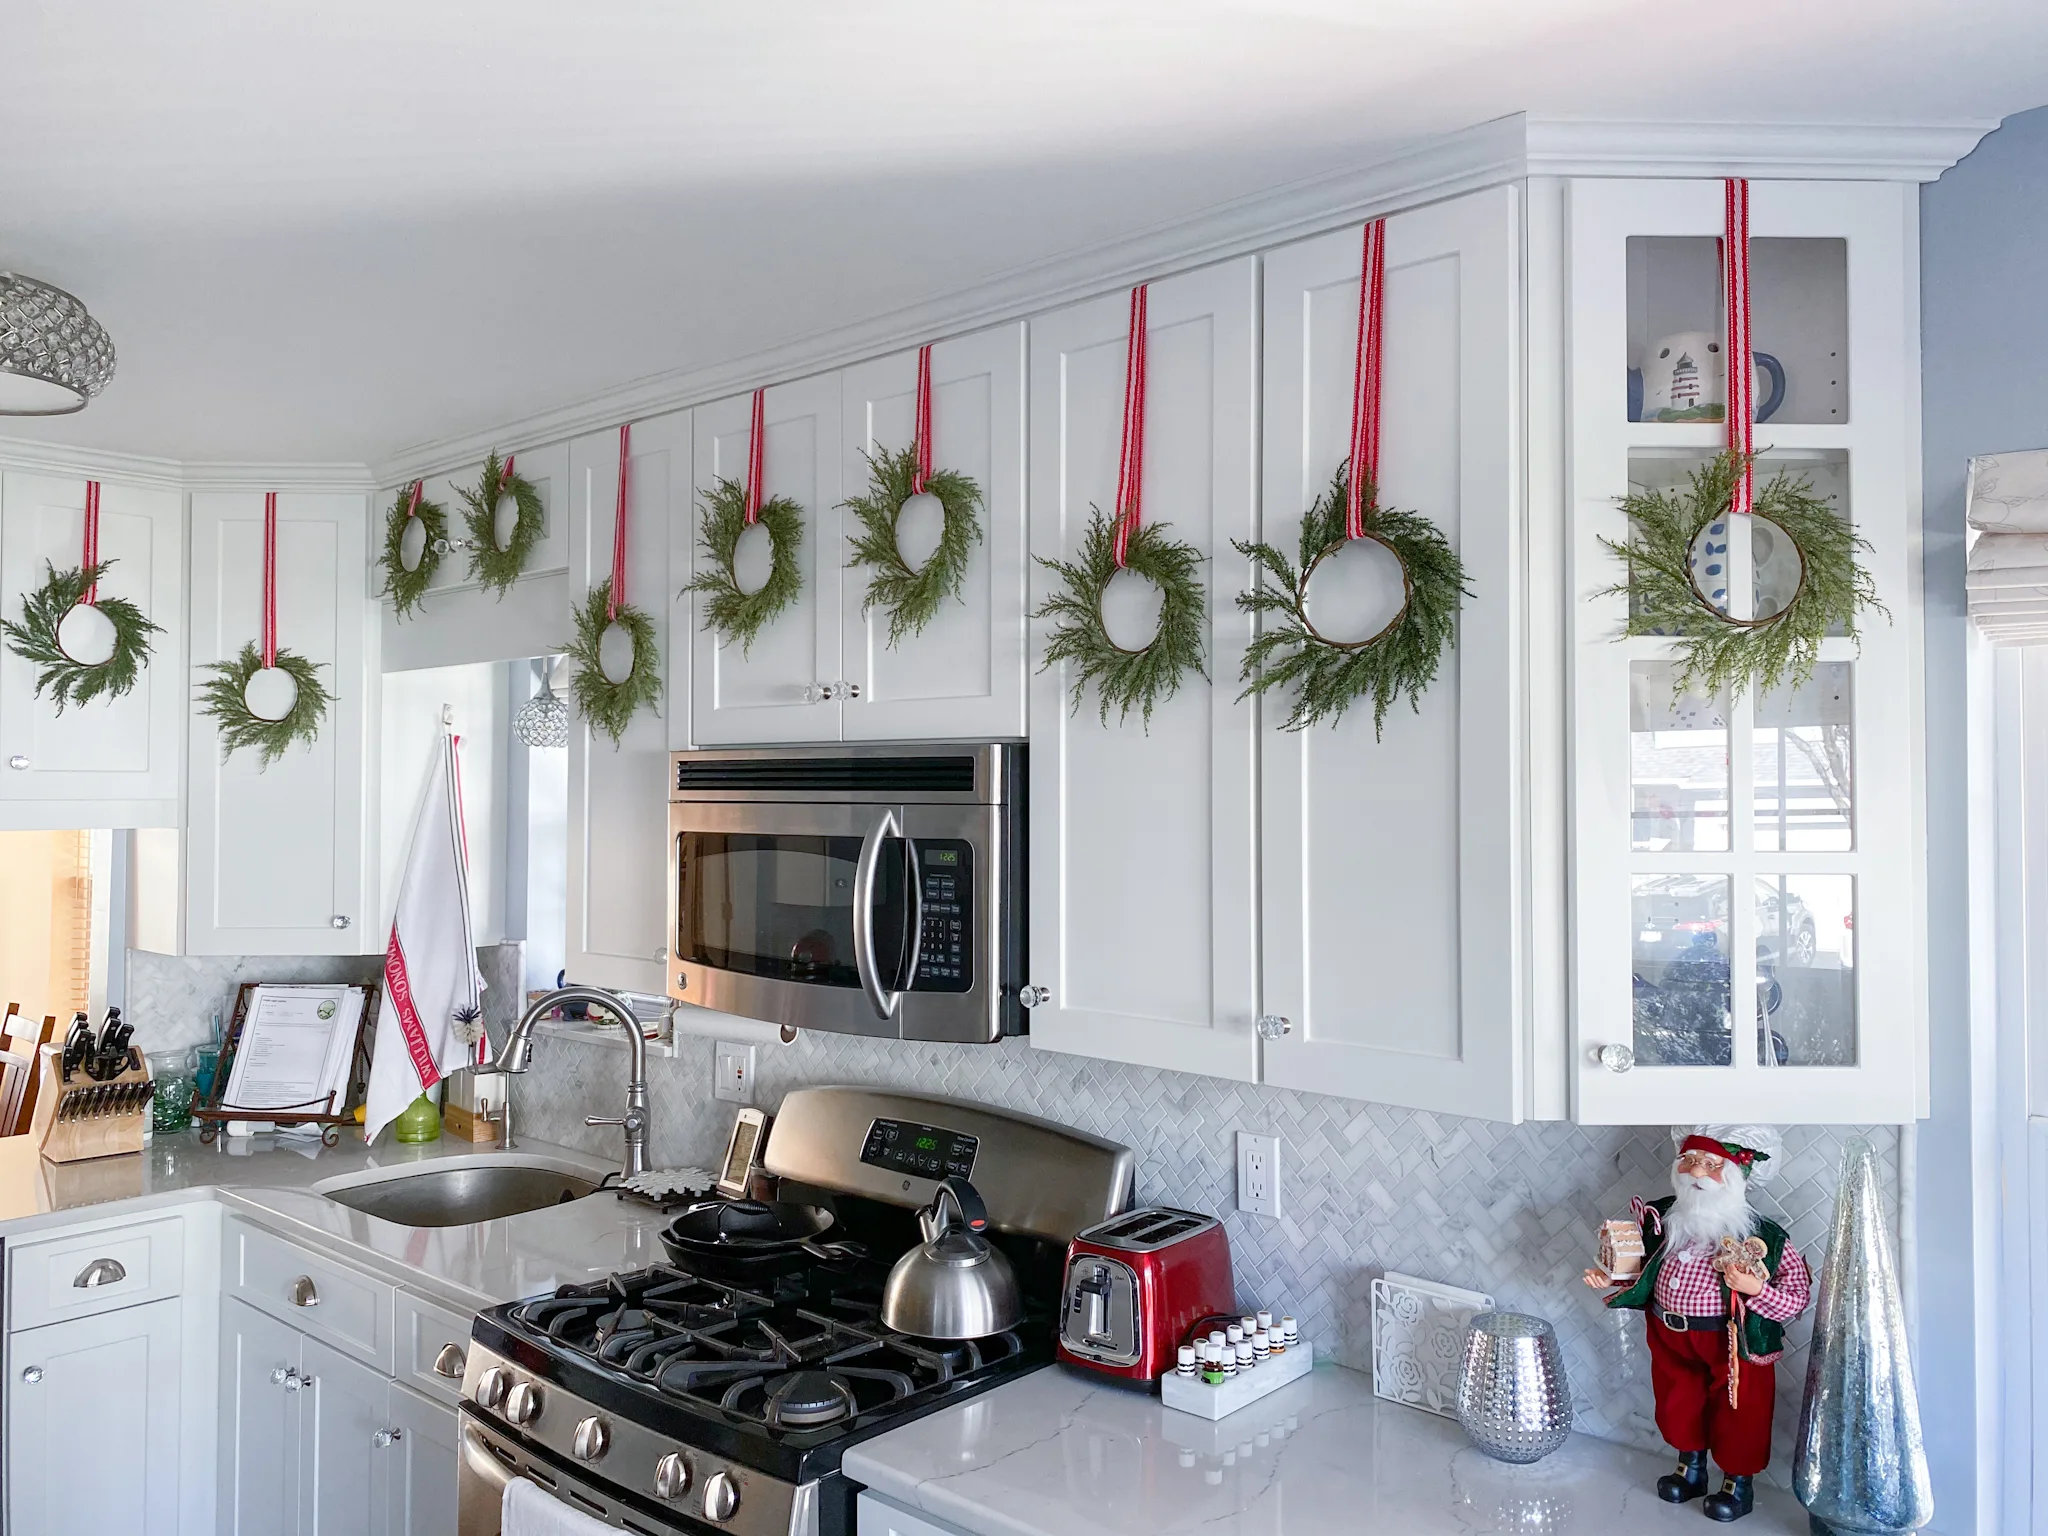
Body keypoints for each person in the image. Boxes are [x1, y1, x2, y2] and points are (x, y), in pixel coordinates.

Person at [1583, 1125, 1812, 1523]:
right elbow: (1637, 1264)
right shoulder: (1664, 1219)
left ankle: (1736, 1483)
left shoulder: (1766, 1237)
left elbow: (1797, 1298)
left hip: (1732, 1340)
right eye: (1688, 1161)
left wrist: (1756, 1289)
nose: (1696, 1172)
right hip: (1669, 1333)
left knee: (1740, 1409)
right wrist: (1612, 1276)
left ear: (1736, 1177)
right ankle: (1690, 1468)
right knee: (1678, 1400)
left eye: (1710, 1164)